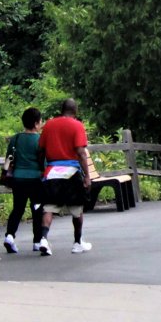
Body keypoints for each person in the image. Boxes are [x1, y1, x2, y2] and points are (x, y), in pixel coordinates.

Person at [34, 98, 93, 256]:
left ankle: (44, 239)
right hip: (71, 171)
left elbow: (40, 151)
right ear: (76, 111)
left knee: (49, 207)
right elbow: (80, 152)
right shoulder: (77, 125)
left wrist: (41, 169)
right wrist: (87, 175)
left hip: (52, 171)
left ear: (61, 109)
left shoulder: (49, 125)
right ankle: (77, 242)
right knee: (77, 208)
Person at [0, 107, 45, 254]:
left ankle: (10, 236)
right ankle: (37, 241)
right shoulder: (40, 140)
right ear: (37, 123)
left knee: (18, 209)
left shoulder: (16, 138)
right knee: (37, 209)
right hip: (35, 179)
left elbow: (9, 158)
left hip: (18, 178)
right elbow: (44, 161)